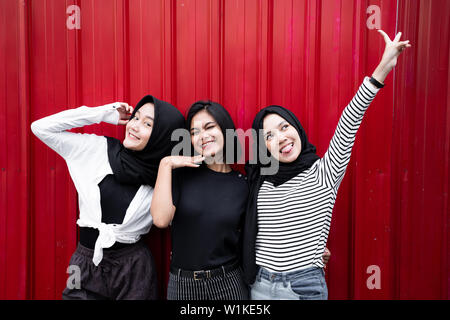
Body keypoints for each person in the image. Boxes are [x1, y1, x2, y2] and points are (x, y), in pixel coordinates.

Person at [242, 30, 411, 300]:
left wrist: (381, 69)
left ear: (296, 127)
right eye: (269, 136)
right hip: (259, 284)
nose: (281, 137)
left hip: (303, 287)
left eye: (284, 127)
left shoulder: (325, 171)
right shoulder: (259, 179)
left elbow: (349, 120)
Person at [31, 95, 185, 299]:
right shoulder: (96, 149)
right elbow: (41, 127)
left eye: (147, 124)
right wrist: (103, 113)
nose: (135, 126)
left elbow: (165, 219)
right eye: (136, 118)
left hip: (135, 270)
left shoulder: (165, 175)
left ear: (161, 135)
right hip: (82, 264)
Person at [150, 100, 250, 300]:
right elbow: (160, 220)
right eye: (194, 132)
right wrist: (166, 164)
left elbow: (258, 233)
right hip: (182, 285)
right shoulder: (181, 175)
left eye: (209, 127)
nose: (203, 136)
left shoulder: (243, 185)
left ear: (225, 129)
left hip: (229, 283)